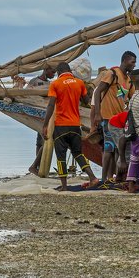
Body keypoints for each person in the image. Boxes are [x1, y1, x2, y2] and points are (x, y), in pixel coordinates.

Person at [42, 62, 98, 191]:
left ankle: (65, 186)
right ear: (70, 71)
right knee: (78, 153)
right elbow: (85, 100)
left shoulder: (55, 84)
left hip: (61, 125)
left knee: (61, 156)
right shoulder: (79, 83)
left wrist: (45, 125)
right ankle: (93, 178)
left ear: (58, 72)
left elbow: (51, 105)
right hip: (75, 125)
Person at [91, 50, 136, 184]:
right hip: (107, 118)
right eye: (132, 62)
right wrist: (97, 114)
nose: (134, 65)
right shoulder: (112, 74)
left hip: (120, 120)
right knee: (108, 148)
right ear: (124, 61)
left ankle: (116, 178)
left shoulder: (129, 80)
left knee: (119, 149)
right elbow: (98, 91)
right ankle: (105, 179)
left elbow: (133, 99)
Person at [27, 64, 57, 175]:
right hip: (39, 115)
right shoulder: (34, 81)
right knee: (41, 142)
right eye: (52, 72)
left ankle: (37, 166)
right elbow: (26, 95)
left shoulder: (50, 83)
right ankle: (36, 166)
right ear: (45, 70)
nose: (53, 75)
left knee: (41, 141)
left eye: (55, 73)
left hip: (47, 115)